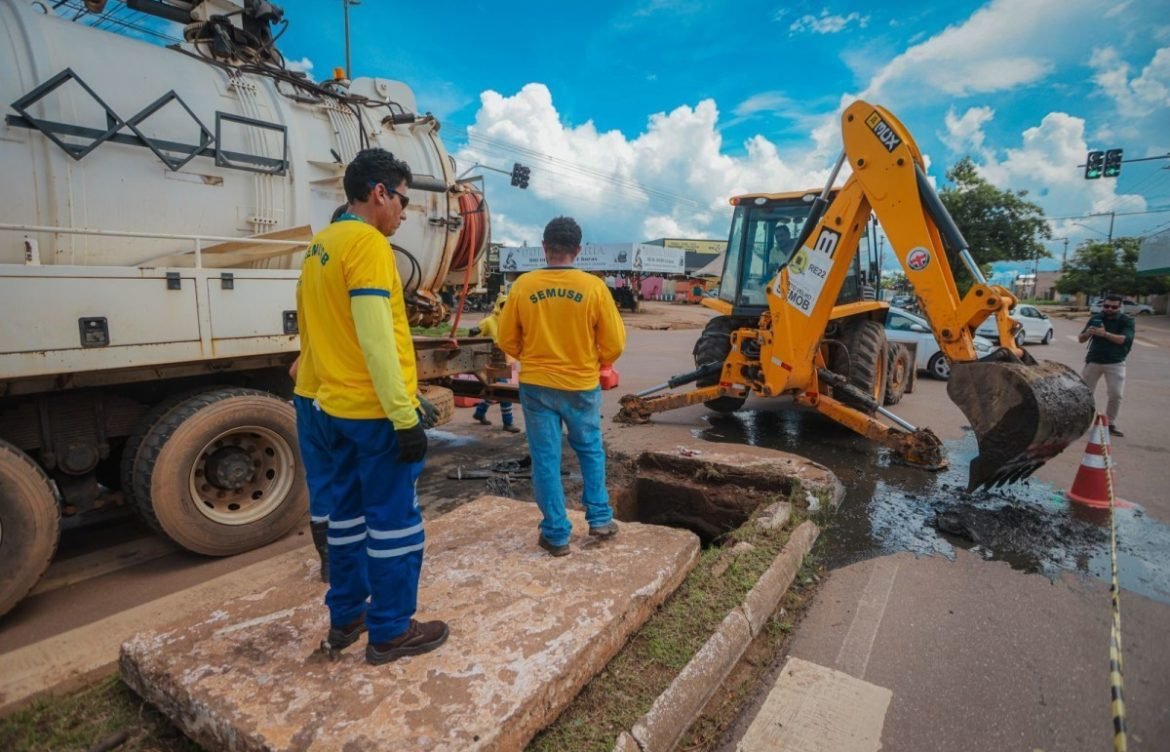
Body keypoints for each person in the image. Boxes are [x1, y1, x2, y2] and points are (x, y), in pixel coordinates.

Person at [297, 148, 448, 665]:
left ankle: (347, 617)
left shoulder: (321, 245)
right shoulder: (367, 244)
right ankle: (390, 630)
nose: (405, 213)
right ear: (380, 193)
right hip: (373, 413)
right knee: (394, 525)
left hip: (331, 407)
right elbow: (376, 337)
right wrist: (405, 416)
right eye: (403, 200)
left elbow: (316, 334)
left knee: (345, 521)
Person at [497, 217, 627, 556]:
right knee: (590, 450)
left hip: (537, 385)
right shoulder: (594, 288)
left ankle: (556, 535)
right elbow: (613, 345)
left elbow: (507, 340)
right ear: (578, 250)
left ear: (544, 247)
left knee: (546, 458)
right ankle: (599, 518)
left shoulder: (524, 286)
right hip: (581, 385)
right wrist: (593, 358)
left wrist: (533, 352)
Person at [1078, 293, 1135, 437]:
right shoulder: (1096, 318)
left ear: (1120, 307)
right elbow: (1080, 339)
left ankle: (1110, 423)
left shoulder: (1126, 321)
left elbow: (1123, 339)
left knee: (1116, 394)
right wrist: (1088, 333)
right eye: (1106, 306)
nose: (1109, 309)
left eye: (1113, 307)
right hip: (1094, 360)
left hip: (1115, 362)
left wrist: (1104, 334)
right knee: (1084, 393)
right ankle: (1081, 422)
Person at [469, 293, 521, 433]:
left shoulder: (511, 322)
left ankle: (479, 413)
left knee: (494, 390)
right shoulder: (488, 321)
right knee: (504, 391)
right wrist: (474, 333)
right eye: (503, 305)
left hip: (505, 361)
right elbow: (474, 338)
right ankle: (508, 423)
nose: (506, 308)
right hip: (490, 360)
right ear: (498, 306)